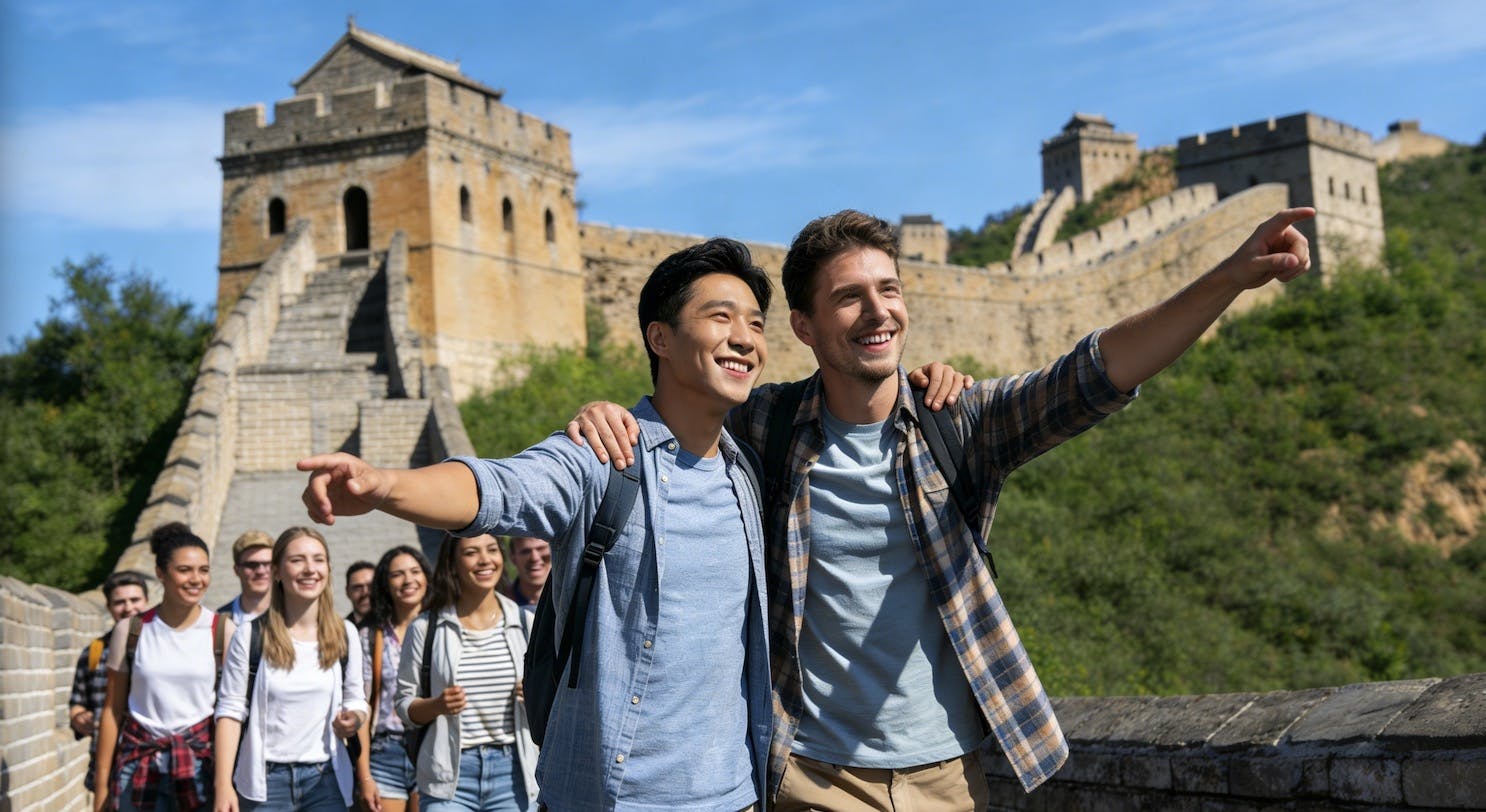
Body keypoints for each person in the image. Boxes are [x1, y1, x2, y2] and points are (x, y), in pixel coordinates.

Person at [569, 207, 1315, 809]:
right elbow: (685, 404)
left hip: (948, 778)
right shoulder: (766, 426)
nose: (878, 311)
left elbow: (1093, 375)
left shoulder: (959, 420)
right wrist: (612, 414)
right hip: (811, 777)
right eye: (850, 297)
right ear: (804, 326)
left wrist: (1230, 277)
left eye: (889, 290)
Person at [297, 238, 783, 811]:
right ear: (660, 338)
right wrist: (385, 486)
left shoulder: (747, 471)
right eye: (720, 317)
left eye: (756, 323)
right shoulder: (605, 457)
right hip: (612, 796)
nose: (745, 338)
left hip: (735, 795)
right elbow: (503, 486)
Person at [214, 526, 369, 812]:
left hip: (327, 779)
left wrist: (355, 718)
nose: (310, 569)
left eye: (318, 559)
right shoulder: (249, 635)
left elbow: (356, 698)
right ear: (276, 571)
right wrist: (223, 785)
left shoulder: (346, 633)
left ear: (328, 568)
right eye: (297, 560)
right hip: (266, 782)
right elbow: (230, 712)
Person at [395, 533, 537, 812]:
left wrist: (536, 696)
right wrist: (437, 705)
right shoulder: (424, 627)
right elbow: (403, 705)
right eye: (471, 552)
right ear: (453, 563)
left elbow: (554, 703)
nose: (485, 560)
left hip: (516, 774)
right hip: (448, 777)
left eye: (492, 550)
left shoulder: (525, 622)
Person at [94, 523, 231, 812]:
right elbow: (112, 710)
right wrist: (101, 788)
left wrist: (225, 783)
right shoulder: (130, 630)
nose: (196, 579)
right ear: (160, 573)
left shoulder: (222, 630)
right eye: (184, 570)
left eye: (204, 570)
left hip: (200, 767)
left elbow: (230, 711)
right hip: (138, 763)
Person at [354, 544, 433, 812]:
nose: (408, 580)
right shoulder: (370, 637)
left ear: (426, 577)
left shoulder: (443, 629)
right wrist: (364, 776)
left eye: (415, 571)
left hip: (432, 746)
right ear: (385, 584)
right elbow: (362, 707)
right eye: (398, 574)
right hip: (384, 752)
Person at [69, 570, 149, 797]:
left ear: (147, 601)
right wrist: (79, 717)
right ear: (109, 607)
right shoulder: (94, 651)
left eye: (135, 600)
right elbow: (77, 702)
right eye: (119, 602)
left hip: (152, 764)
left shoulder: (164, 647)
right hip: (108, 765)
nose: (128, 607)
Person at [218, 530, 274, 626]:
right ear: (236, 570)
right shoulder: (219, 622)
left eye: (267, 564)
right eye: (252, 565)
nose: (261, 571)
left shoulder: (294, 615)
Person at [505, 537, 550, 609]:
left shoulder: (568, 601)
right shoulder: (500, 605)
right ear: (512, 558)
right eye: (526, 551)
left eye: (541, 549)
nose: (534, 558)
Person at [345, 560, 375, 627]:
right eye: (357, 588)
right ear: (347, 591)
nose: (365, 592)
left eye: (371, 586)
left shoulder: (395, 626)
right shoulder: (340, 630)